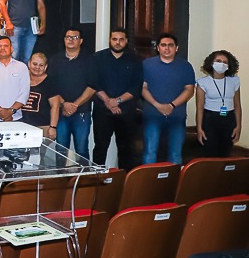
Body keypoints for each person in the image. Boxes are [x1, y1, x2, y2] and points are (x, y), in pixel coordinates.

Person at [92, 28, 144, 169]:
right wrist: (108, 102)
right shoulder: (98, 58)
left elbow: (136, 87)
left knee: (126, 149)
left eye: (121, 39)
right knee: (100, 148)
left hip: (126, 112)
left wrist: (117, 101)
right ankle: (97, 181)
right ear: (110, 40)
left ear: (126, 41)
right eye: (114, 39)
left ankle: (124, 182)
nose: (118, 42)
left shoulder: (135, 60)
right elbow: (93, 83)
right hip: (102, 111)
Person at [141, 33, 195, 164]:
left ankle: (173, 183)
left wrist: (171, 105)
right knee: (150, 151)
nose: (167, 48)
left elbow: (189, 90)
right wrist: (157, 105)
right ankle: (148, 182)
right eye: (163, 45)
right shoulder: (146, 64)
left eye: (170, 45)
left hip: (177, 116)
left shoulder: (185, 66)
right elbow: (143, 88)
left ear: (176, 48)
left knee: (175, 154)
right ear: (158, 48)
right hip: (152, 115)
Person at [48, 28, 97, 159]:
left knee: (81, 149)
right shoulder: (55, 60)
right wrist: (64, 104)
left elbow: (92, 86)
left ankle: (84, 180)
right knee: (60, 150)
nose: (70, 39)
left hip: (81, 112)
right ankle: (63, 180)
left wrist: (74, 105)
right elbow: (50, 86)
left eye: (74, 37)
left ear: (81, 41)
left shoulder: (89, 60)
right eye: (67, 37)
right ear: (64, 40)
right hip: (60, 112)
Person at [195, 50, 242, 158]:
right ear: (211, 63)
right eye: (218, 61)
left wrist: (238, 126)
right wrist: (199, 129)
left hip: (229, 119)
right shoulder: (203, 82)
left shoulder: (234, 81)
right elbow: (200, 108)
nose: (222, 64)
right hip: (210, 119)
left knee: (225, 153)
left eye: (225, 62)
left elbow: (237, 106)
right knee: (210, 153)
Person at [0, 35, 30, 122]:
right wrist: (0, 111)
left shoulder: (21, 66)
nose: (2, 48)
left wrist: (10, 111)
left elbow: (24, 93)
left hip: (16, 117)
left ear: (11, 48)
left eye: (6, 46)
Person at [20, 52, 61, 139]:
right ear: (29, 63)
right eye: (35, 64)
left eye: (41, 65)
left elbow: (55, 106)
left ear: (45, 67)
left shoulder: (50, 82)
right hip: (21, 125)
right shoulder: (21, 78)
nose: (37, 67)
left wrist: (53, 127)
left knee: (39, 153)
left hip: (42, 127)